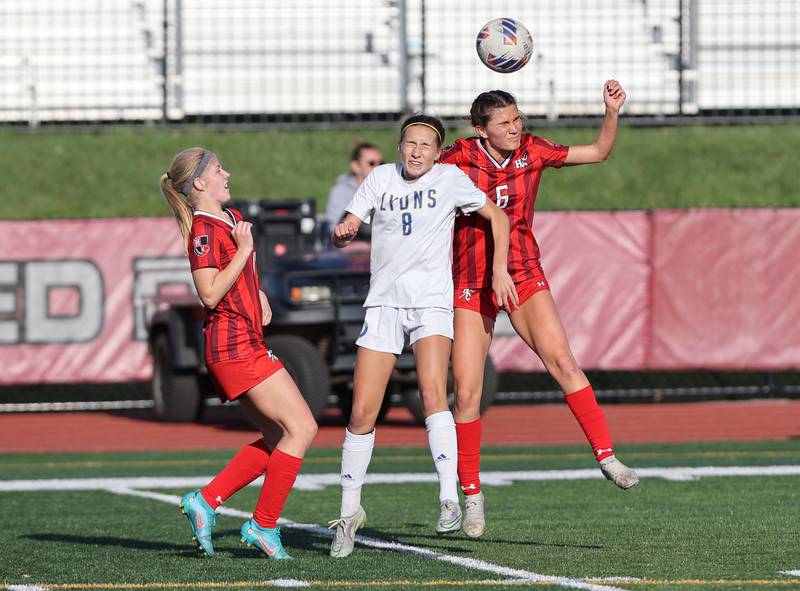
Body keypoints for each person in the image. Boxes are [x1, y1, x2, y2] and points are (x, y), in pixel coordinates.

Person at [440, 80, 639, 539]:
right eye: (504, 123)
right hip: (470, 281)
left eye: (517, 119)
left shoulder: (534, 150)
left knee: (563, 362)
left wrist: (611, 112)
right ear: (480, 130)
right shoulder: (458, 158)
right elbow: (415, 177)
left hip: (523, 272)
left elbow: (597, 153)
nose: (515, 128)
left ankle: (607, 457)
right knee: (467, 393)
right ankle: (471, 495)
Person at [327, 115, 517, 558]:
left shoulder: (451, 179)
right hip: (384, 304)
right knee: (360, 412)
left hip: (431, 301)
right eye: (409, 143)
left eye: (425, 145)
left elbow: (496, 216)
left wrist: (499, 267)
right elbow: (348, 225)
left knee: (434, 392)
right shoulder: (379, 178)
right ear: (400, 146)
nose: (415, 151)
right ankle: (349, 512)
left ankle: (449, 499)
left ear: (437, 151)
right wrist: (344, 232)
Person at [160, 147, 317, 560]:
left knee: (279, 436)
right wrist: (245, 254)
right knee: (302, 429)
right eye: (217, 169)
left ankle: (206, 501)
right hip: (233, 345)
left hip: (245, 339)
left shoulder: (226, 220)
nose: (226, 173)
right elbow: (209, 293)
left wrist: (257, 291)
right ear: (198, 184)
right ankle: (263, 524)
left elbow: (231, 280)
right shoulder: (205, 230)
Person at [324, 141, 384, 230]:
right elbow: (335, 228)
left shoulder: (388, 188)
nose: (378, 167)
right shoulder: (340, 191)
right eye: (371, 163)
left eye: (381, 163)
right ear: (356, 166)